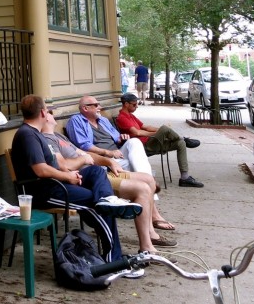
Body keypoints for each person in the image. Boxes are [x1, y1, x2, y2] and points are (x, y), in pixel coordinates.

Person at [11, 94, 142, 268]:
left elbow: (56, 164)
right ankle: (114, 258)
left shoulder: (36, 134)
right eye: (49, 110)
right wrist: (68, 176)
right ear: (43, 112)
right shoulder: (28, 135)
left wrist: (70, 172)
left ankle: (108, 200)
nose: (51, 113)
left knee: (95, 172)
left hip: (56, 183)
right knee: (93, 202)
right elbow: (41, 170)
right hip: (45, 191)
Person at [40, 111, 175, 250]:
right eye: (48, 113)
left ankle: (151, 230)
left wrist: (109, 162)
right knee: (143, 189)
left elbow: (86, 154)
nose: (52, 114)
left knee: (149, 179)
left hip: (101, 170)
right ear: (43, 118)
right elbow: (64, 165)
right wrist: (84, 159)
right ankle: (146, 245)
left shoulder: (58, 136)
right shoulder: (46, 139)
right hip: (90, 178)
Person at [66, 96, 176, 231]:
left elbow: (117, 138)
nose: (99, 107)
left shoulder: (103, 120)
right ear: (85, 108)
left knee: (134, 142)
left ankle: (148, 184)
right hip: (102, 159)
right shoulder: (76, 121)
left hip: (117, 153)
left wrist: (122, 138)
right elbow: (83, 145)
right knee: (142, 175)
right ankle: (154, 211)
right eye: (96, 105)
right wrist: (108, 153)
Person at [116, 92, 204, 188]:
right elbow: (137, 133)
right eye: (134, 104)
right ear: (126, 104)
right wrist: (160, 132)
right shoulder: (122, 118)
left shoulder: (131, 116)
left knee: (180, 143)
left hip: (152, 142)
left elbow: (146, 127)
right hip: (144, 146)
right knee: (165, 129)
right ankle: (183, 137)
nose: (137, 106)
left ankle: (185, 178)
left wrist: (160, 131)